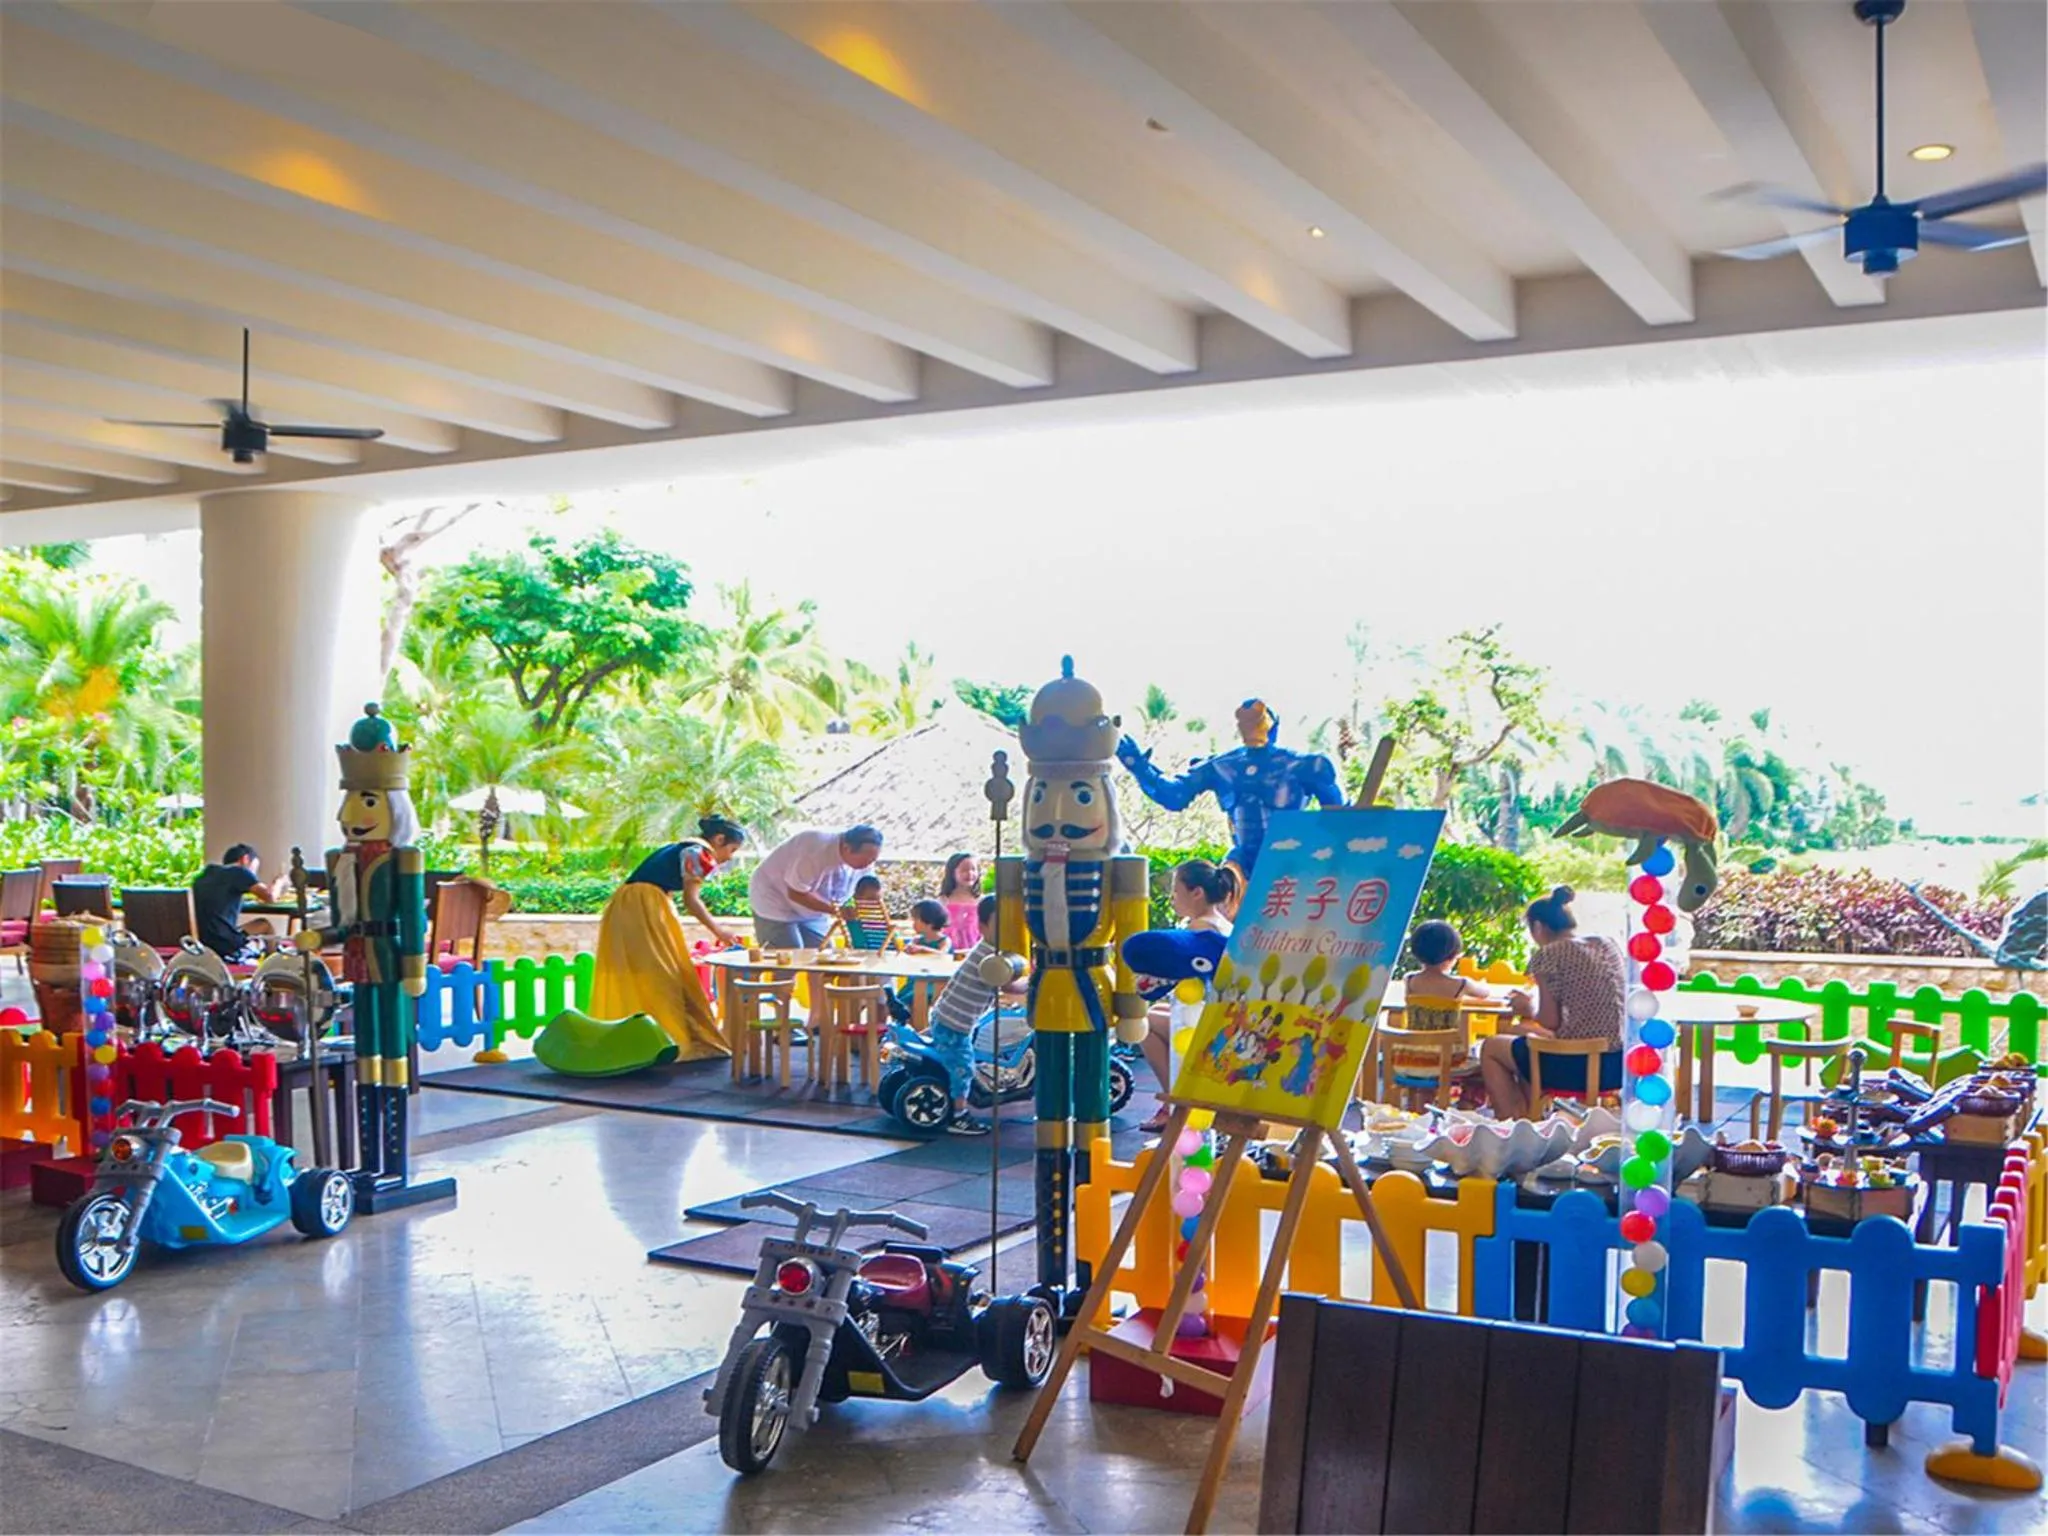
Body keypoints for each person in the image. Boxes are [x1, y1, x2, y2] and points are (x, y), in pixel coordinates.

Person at [591, 815, 749, 1062]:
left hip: (634, 905)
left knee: (649, 972)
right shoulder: (698, 853)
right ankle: (669, 1037)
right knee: (663, 974)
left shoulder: (682, 848)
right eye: (732, 849)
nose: (729, 856)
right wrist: (719, 931)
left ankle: (650, 1034)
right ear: (719, 840)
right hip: (644, 907)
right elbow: (691, 901)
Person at [1477, 887, 1625, 1120]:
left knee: (1492, 1048)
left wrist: (1527, 1008)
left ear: (1538, 927)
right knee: (1523, 1041)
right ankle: (1526, 1116)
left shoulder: (1549, 954)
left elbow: (1549, 1020)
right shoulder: (1606, 944)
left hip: (1574, 1066)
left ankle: (1511, 1124)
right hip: (1618, 1065)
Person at [1139, 859, 1239, 1132]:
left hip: (1207, 1021)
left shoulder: (1200, 929)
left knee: (1143, 1025)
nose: (1172, 898)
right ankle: (1178, 1097)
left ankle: (1178, 1102)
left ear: (1196, 893)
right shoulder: (1223, 924)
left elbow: (1167, 975)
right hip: (1220, 1013)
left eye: (1176, 890)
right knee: (1154, 1014)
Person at [925, 895, 1016, 1135]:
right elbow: (1008, 986)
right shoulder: (989, 958)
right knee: (962, 1066)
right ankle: (959, 1115)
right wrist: (1032, 984)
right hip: (953, 1024)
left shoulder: (992, 951)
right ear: (983, 926)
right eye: (1000, 922)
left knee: (965, 1055)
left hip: (953, 1018)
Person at [748, 825, 885, 949]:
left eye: (873, 860)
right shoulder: (814, 851)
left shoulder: (865, 861)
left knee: (823, 954)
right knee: (790, 956)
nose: (868, 864)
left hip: (814, 910)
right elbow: (796, 893)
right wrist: (836, 910)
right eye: (866, 859)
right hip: (775, 900)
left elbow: (866, 888)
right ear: (846, 848)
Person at [191, 844, 280, 964]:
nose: (254, 875)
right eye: (254, 870)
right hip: (222, 941)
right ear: (245, 859)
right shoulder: (240, 871)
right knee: (265, 925)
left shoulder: (206, 874)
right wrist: (279, 882)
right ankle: (273, 967)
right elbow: (270, 896)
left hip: (199, 939)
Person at [1404, 920, 1495, 1002]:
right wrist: (1483, 983)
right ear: (1452, 956)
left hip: (1416, 1021)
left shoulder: (1409, 980)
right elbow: (1485, 993)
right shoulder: (1462, 984)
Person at [937, 852, 983, 950]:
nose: (970, 873)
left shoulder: (980, 901)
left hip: (974, 946)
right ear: (952, 873)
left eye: (973, 869)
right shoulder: (944, 900)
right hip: (948, 947)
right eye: (964, 870)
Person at [845, 875, 893, 950]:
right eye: (870, 899)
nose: (874, 903)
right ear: (857, 897)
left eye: (877, 899)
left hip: (870, 947)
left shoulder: (849, 909)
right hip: (879, 948)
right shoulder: (853, 914)